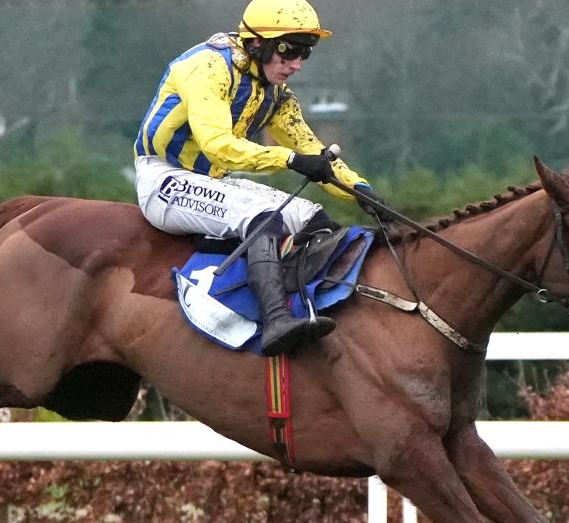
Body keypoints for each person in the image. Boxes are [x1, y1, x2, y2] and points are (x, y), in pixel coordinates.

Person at [134, 0, 388, 357]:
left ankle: (315, 309)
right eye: (289, 51)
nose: (296, 64)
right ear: (257, 43)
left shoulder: (275, 94)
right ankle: (275, 322)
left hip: (215, 182)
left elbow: (312, 151)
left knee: (315, 220)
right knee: (265, 219)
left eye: (305, 53)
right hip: (164, 179)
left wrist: (360, 191)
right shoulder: (207, 67)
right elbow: (218, 146)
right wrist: (290, 160)